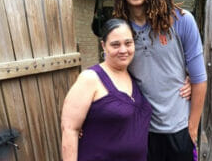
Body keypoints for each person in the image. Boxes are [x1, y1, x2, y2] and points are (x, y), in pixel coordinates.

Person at [112, 0, 207, 160]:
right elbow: (109, 78)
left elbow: (199, 79)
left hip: (179, 133)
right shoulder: (119, 32)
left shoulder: (182, 21)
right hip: (141, 133)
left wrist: (193, 128)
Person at [61, 18, 152, 161]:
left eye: (128, 43)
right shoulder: (90, 79)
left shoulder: (133, 75)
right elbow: (69, 129)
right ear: (104, 46)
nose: (123, 50)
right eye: (115, 45)